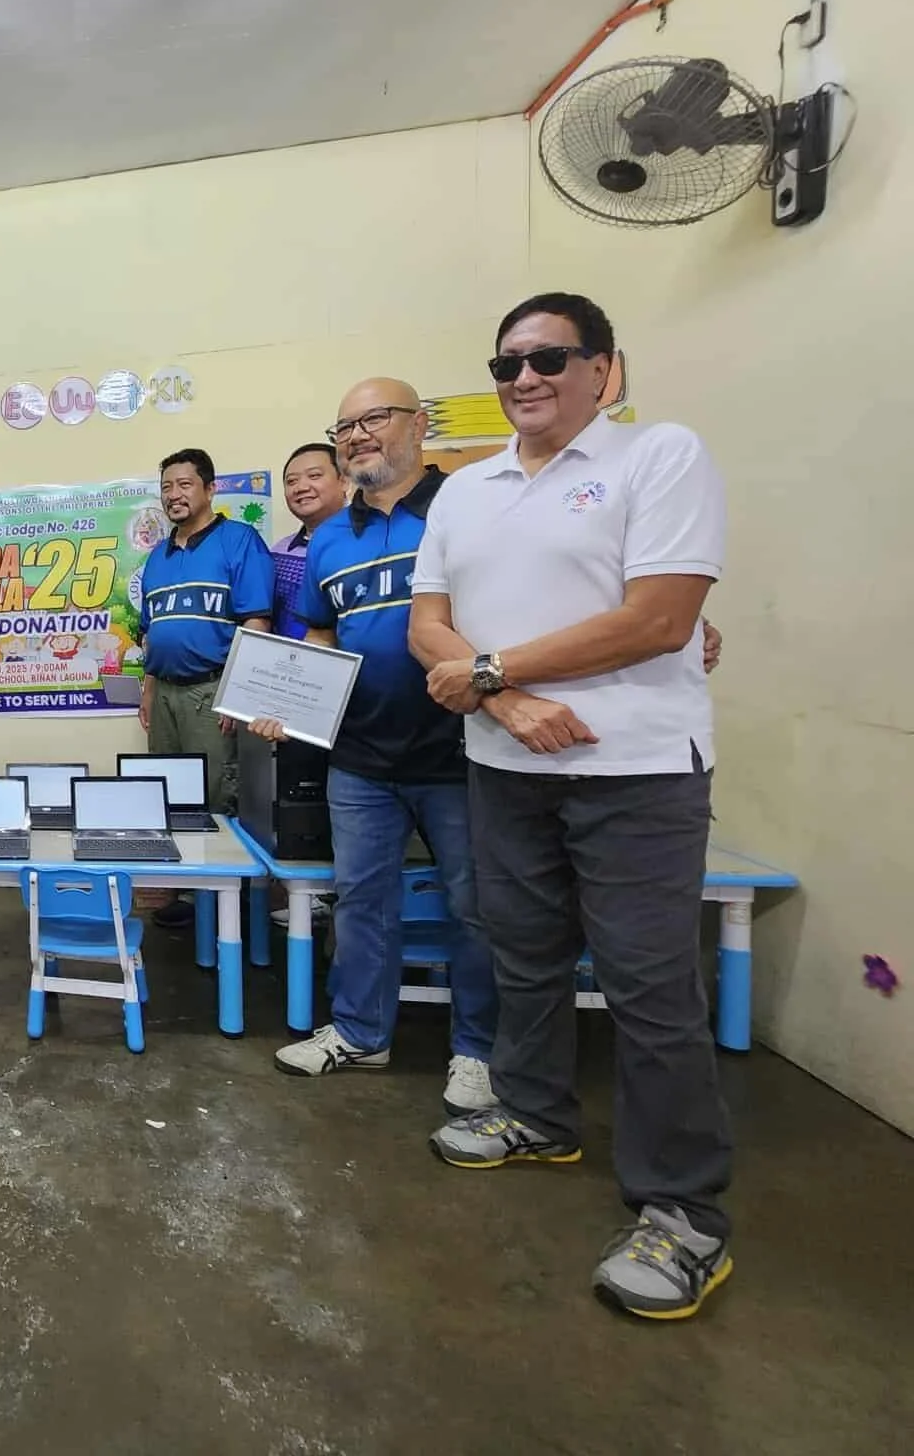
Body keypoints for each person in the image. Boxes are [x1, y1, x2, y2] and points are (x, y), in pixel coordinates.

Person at [410, 292, 732, 1321]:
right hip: (504, 765)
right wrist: (503, 698)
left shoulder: (657, 457)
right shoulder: (463, 491)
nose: (525, 379)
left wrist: (492, 667)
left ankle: (682, 1215)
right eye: (506, 364)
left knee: (648, 988)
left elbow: (658, 619)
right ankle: (538, 1117)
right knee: (523, 955)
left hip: (633, 767)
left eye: (550, 357)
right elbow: (428, 626)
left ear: (604, 369)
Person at [257, 383, 497, 1118]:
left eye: (374, 420)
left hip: (465, 750)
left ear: (417, 425)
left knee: (477, 905)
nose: (358, 436)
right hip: (360, 757)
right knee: (361, 898)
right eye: (345, 427)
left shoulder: (471, 506)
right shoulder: (331, 535)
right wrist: (289, 702)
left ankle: (479, 1050)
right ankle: (361, 1032)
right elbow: (322, 637)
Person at [138, 447, 274, 927]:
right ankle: (189, 897)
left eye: (184, 485)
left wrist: (240, 694)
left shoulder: (239, 542)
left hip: (211, 691)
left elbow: (256, 623)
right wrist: (149, 693)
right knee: (171, 797)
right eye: (167, 487)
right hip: (168, 695)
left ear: (210, 489)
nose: (173, 495)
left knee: (217, 798)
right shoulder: (159, 556)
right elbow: (152, 632)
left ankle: (224, 909)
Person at [271, 443, 347, 642]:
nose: (301, 488)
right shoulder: (278, 551)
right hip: (286, 667)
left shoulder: (366, 546)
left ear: (344, 481)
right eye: (291, 481)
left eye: (314, 476)